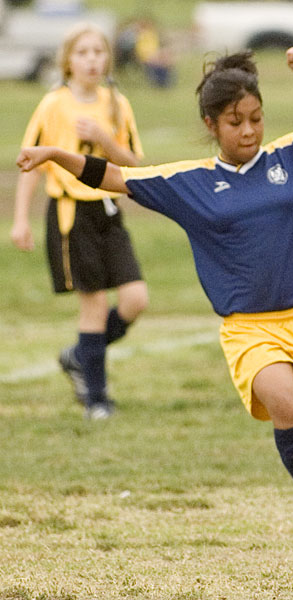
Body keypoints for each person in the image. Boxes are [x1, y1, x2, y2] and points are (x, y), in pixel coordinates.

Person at [17, 46, 293, 548]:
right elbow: (112, 176)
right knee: (284, 401)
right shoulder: (191, 183)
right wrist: (54, 154)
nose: (248, 131)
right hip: (250, 328)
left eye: (256, 119)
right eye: (234, 122)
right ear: (211, 124)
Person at [11, 23, 148, 419]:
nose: (92, 60)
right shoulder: (54, 104)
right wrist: (20, 219)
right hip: (71, 215)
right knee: (94, 306)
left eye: (98, 52)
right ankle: (97, 400)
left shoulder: (116, 103)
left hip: (108, 210)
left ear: (108, 59)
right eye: (83, 52)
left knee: (135, 300)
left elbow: (133, 164)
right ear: (67, 61)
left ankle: (78, 356)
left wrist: (104, 139)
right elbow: (31, 164)